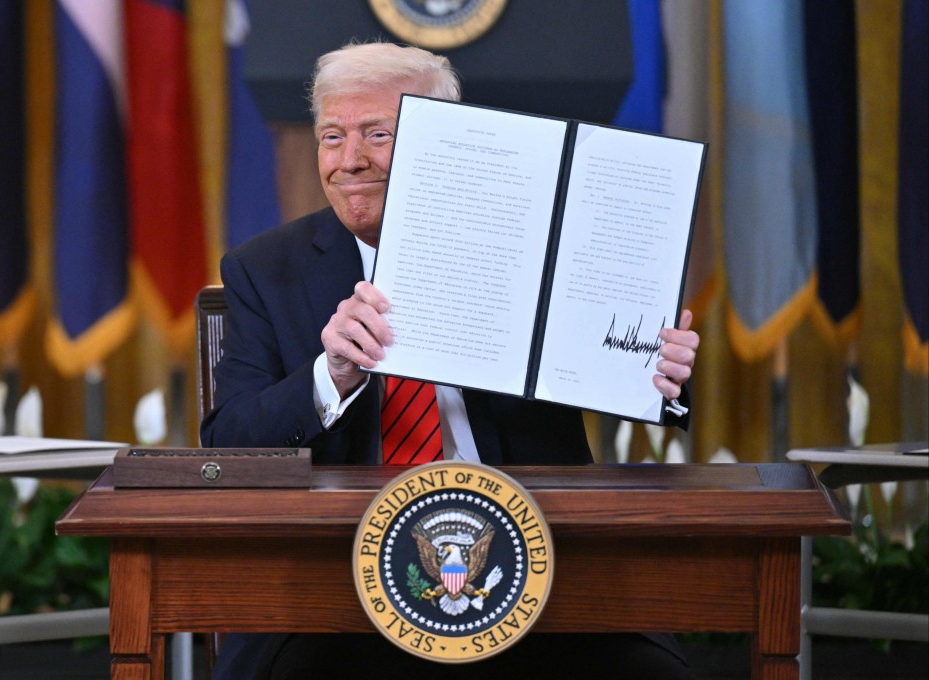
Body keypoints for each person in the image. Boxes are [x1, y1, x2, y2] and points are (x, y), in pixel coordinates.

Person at [202, 41, 699, 680]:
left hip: (533, 558)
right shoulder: (264, 269)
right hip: (338, 572)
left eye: (378, 134)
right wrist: (333, 374)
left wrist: (659, 375)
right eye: (332, 136)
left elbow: (636, 383)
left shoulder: (541, 243)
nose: (350, 160)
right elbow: (227, 442)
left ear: (449, 142)